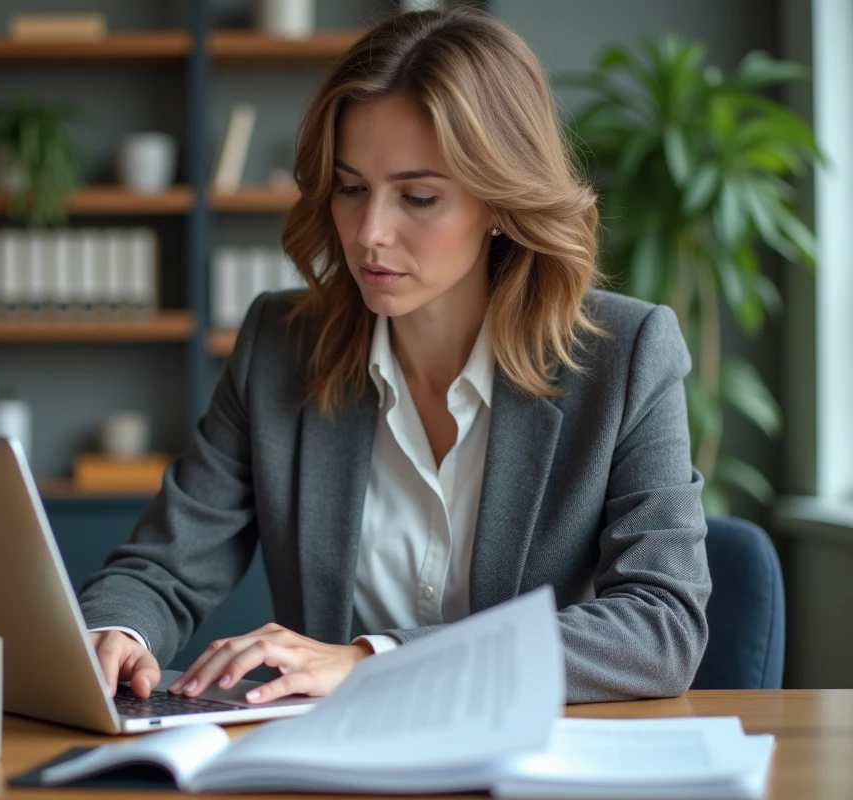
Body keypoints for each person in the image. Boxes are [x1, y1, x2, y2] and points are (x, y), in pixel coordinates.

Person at [79, 5, 710, 706]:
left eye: (418, 196)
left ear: (500, 202)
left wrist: (376, 661)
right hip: (335, 753)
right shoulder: (278, 344)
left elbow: (661, 626)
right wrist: (116, 631)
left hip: (532, 749)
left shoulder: (627, 354)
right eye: (351, 189)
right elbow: (167, 561)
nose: (369, 232)